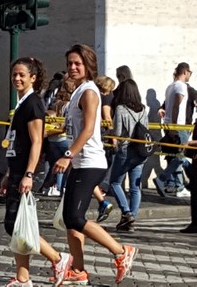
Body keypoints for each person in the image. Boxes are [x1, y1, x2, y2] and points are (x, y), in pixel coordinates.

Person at [51, 44, 137, 285]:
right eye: (69, 63)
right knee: (71, 219)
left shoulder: (89, 91)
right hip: (80, 162)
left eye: (78, 63)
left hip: (89, 162)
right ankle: (78, 271)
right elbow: (74, 128)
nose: (73, 67)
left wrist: (67, 154)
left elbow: (89, 129)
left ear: (89, 66)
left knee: (76, 218)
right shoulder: (78, 91)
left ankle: (121, 251)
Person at [0, 57, 73, 287]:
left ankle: (58, 258)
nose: (17, 79)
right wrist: (9, 173)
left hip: (27, 171)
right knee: (17, 224)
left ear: (33, 77)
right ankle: (23, 278)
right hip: (17, 169)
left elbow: (36, 142)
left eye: (22, 75)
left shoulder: (33, 104)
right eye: (14, 74)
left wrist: (29, 174)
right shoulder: (24, 103)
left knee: (15, 224)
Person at [109, 79, 149, 232]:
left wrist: (110, 134)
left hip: (126, 150)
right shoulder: (143, 109)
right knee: (135, 187)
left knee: (115, 183)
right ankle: (131, 219)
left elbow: (118, 133)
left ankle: (126, 213)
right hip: (140, 151)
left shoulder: (120, 109)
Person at [154, 62, 193, 198]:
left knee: (176, 156)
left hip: (170, 126)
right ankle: (163, 179)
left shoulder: (170, 86)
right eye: (190, 73)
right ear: (185, 72)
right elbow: (176, 106)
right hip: (179, 127)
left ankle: (177, 185)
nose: (190, 76)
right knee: (181, 156)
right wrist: (175, 127)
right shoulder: (181, 86)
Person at [94, 76, 116, 223]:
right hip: (101, 134)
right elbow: (107, 115)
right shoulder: (106, 97)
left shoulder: (94, 94)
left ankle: (101, 198)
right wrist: (113, 135)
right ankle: (102, 191)